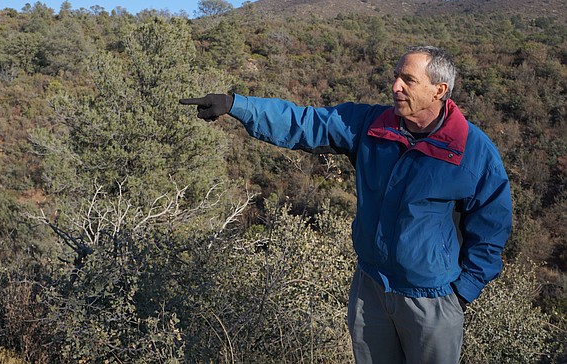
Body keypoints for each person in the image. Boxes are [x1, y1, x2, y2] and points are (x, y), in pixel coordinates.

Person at [180, 46, 512, 364]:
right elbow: (305, 122)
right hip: (370, 288)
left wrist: (462, 292)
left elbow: (491, 226)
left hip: (432, 300)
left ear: (439, 90)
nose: (395, 86)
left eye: (408, 80)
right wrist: (237, 105)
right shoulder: (372, 126)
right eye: (396, 76)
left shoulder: (471, 150)